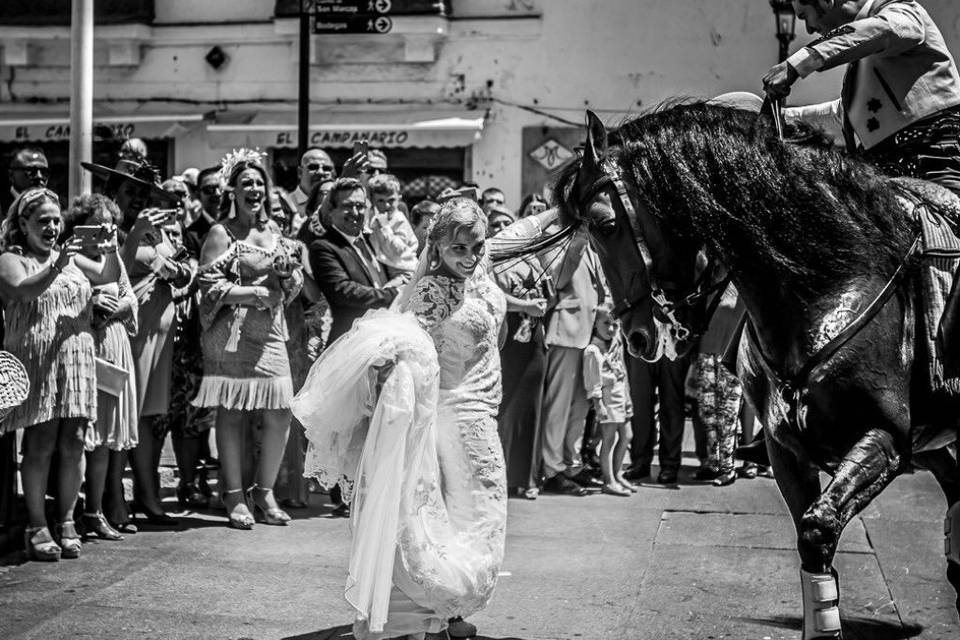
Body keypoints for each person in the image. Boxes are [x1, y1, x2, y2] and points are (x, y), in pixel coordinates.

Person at [293, 197, 557, 640]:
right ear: (436, 246)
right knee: (454, 515)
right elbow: (408, 339)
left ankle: (447, 614)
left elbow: (526, 235)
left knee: (476, 514)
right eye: (459, 249)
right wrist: (391, 367)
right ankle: (426, 613)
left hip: (484, 411)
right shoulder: (431, 290)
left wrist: (572, 205)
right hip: (452, 415)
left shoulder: (482, 272)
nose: (469, 258)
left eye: (476, 247)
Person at [192, 148, 303, 530]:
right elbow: (205, 286)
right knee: (233, 413)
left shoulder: (276, 234)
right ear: (233, 191)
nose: (254, 189)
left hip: (270, 334)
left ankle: (265, 490)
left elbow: (291, 286)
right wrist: (252, 294)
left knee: (280, 411)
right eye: (245, 183)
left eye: (259, 182)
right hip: (232, 337)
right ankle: (234, 495)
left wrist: (288, 278)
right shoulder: (221, 233)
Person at [83, 157, 187, 527]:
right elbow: (112, 276)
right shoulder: (105, 228)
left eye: (144, 192)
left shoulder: (158, 229)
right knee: (120, 419)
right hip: (126, 334)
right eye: (131, 191)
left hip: (161, 332)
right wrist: (136, 231)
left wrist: (179, 269)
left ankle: (148, 494)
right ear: (113, 192)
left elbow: (183, 269)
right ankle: (113, 499)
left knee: (148, 420)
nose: (139, 198)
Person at [763, 0, 960, 194]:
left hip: (940, 171)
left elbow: (887, 28)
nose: (808, 29)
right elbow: (846, 117)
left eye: (805, 16)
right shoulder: (864, 49)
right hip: (893, 186)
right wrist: (780, 118)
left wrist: (799, 63)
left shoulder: (901, 11)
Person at [0, 188, 99, 560]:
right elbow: (21, 291)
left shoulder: (68, 256)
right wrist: (57, 266)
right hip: (37, 359)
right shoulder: (12, 258)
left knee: (74, 439)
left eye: (56, 220)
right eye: (43, 221)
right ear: (23, 224)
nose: (53, 227)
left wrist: (114, 245)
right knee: (40, 441)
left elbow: (105, 273)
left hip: (75, 358)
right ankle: (37, 524)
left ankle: (69, 519)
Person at [63, 194, 140, 541]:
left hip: (115, 347)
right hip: (86, 349)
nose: (103, 234)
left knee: (107, 440)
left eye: (109, 226)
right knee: (84, 437)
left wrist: (120, 306)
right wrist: (92, 304)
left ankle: (95, 511)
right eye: (96, 226)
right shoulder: (72, 257)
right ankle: (72, 511)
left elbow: (130, 296)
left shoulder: (113, 257)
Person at [539, 226, 606, 496]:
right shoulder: (555, 236)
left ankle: (570, 463)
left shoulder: (591, 238)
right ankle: (551, 469)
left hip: (587, 332)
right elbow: (557, 280)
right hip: (564, 331)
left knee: (578, 409)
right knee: (558, 406)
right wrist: (577, 241)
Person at [491, 208, 550, 500]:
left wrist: (538, 302)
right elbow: (491, 294)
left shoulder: (531, 257)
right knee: (506, 408)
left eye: (507, 222)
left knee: (532, 408)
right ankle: (501, 476)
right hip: (507, 338)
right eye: (496, 224)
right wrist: (524, 305)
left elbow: (549, 290)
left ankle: (528, 476)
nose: (502, 226)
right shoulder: (487, 260)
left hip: (533, 337)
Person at [690, 284, 747, 487]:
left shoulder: (744, 286)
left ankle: (728, 468)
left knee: (727, 416)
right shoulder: (709, 283)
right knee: (707, 413)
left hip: (731, 358)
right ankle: (713, 464)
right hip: (705, 355)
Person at [583, 306, 635, 496]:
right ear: (595, 323)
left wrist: (628, 397)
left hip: (621, 396)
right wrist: (599, 405)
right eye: (606, 323)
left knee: (627, 436)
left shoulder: (616, 343)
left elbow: (623, 372)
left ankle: (617, 473)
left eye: (615, 324)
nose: (611, 329)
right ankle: (609, 480)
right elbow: (593, 383)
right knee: (609, 440)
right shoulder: (593, 350)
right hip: (608, 399)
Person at [367, 173, 418, 278]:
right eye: (381, 201)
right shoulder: (376, 219)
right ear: (373, 201)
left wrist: (385, 228)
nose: (387, 205)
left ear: (399, 198)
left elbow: (399, 250)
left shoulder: (399, 220)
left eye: (391, 200)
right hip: (387, 270)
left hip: (405, 270)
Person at [290, 147, 337, 225]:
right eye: (313, 167)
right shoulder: (286, 203)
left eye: (326, 168)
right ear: (300, 172)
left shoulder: (338, 204)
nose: (320, 172)